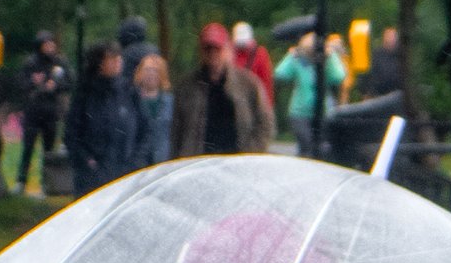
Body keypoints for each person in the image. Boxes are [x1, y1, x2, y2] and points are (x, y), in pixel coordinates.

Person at [174, 20, 273, 157]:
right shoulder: (186, 87)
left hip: (238, 163)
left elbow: (265, 123)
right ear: (201, 51)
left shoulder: (248, 83)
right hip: (197, 162)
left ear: (228, 49)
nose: (213, 54)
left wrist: (251, 153)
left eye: (218, 48)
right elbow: (176, 130)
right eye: (208, 49)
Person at [65, 40, 139, 190]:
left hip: (126, 172)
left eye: (119, 58)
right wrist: (87, 161)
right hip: (92, 176)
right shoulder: (85, 94)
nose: (118, 62)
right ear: (99, 63)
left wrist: (136, 161)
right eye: (112, 58)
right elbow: (72, 134)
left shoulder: (129, 91)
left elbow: (144, 130)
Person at [16, 31, 70, 196]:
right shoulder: (31, 64)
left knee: (49, 150)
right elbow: (21, 84)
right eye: (46, 44)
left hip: (51, 112)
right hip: (33, 111)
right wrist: (35, 84)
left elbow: (69, 82)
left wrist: (56, 86)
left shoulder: (59, 64)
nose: (50, 47)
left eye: (52, 44)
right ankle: (21, 180)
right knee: (28, 147)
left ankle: (47, 183)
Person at [275, 29, 338, 153]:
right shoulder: (299, 61)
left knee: (322, 148)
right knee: (307, 145)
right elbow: (280, 74)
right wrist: (291, 56)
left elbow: (338, 76)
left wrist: (331, 57)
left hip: (324, 111)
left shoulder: (326, 62)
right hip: (299, 113)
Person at [130, 44, 174, 165]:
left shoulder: (170, 102)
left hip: (163, 159)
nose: (151, 74)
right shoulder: (131, 101)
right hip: (137, 161)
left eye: (155, 70)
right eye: (147, 70)